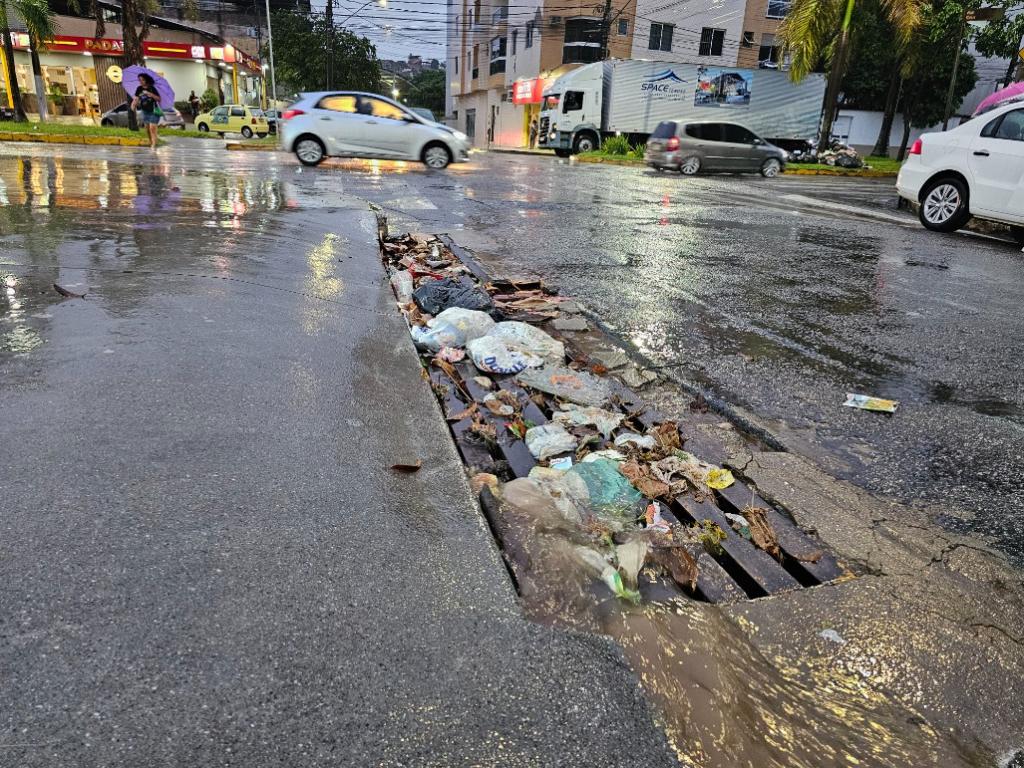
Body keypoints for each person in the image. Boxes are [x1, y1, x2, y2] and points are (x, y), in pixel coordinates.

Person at [132, 73, 161, 150]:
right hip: (145, 111)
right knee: (147, 129)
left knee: (152, 128)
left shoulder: (152, 88)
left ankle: (153, 145)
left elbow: (159, 99)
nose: (141, 81)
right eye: (139, 80)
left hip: (154, 111)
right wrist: (133, 105)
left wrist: (150, 94)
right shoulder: (139, 89)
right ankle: (151, 142)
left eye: (142, 80)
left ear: (146, 80)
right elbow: (136, 98)